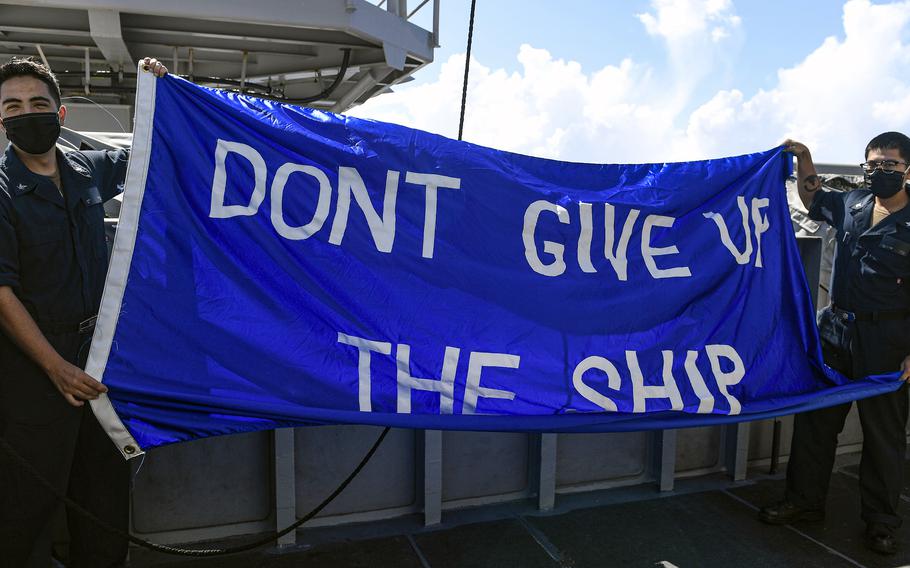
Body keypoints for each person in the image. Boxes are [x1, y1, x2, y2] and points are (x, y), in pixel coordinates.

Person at [0, 56, 167, 567]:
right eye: (13, 106)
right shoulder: (2, 191)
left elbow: (149, 154)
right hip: (33, 370)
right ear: (0, 119)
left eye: (38, 104)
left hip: (97, 362)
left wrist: (156, 93)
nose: (27, 113)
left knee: (104, 503)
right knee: (26, 507)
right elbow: (1, 293)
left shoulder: (85, 168)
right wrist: (56, 368)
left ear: (61, 113)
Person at [759, 133, 910, 555]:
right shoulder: (853, 204)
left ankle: (880, 523)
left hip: (888, 342)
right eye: (873, 165)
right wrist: (804, 158)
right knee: (815, 424)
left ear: (907, 171)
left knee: (884, 437)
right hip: (836, 333)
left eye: (890, 166)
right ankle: (804, 502)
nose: (880, 172)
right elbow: (812, 198)